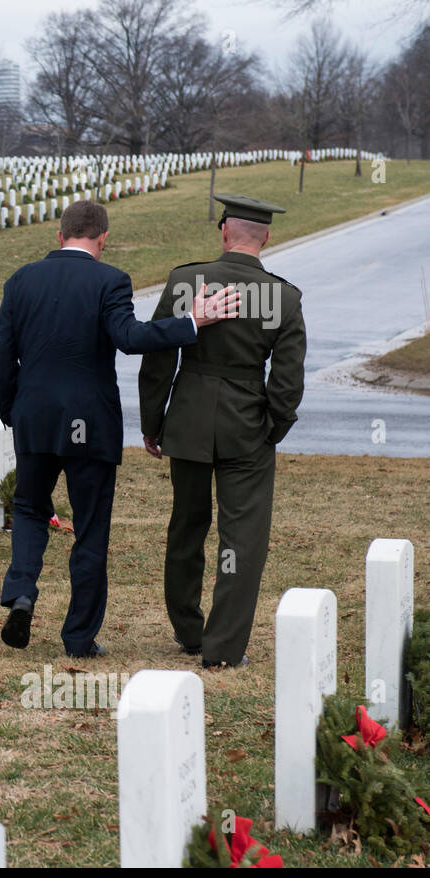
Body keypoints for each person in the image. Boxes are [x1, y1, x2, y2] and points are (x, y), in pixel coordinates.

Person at [0, 199, 239, 658]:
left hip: (35, 419)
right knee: (90, 529)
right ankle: (79, 638)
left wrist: (13, 413)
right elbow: (130, 339)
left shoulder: (21, 280)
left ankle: (22, 592)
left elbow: (3, 360)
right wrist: (193, 321)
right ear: (103, 238)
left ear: (59, 235)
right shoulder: (110, 280)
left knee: (28, 508)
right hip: (91, 425)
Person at [138, 193, 306, 669]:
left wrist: (154, 422)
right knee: (242, 539)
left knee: (187, 527)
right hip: (246, 427)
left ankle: (189, 631)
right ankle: (224, 646)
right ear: (266, 237)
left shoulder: (186, 280)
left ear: (225, 231)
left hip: (188, 421)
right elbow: (288, 380)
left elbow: (158, 359)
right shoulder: (283, 297)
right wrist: (272, 427)